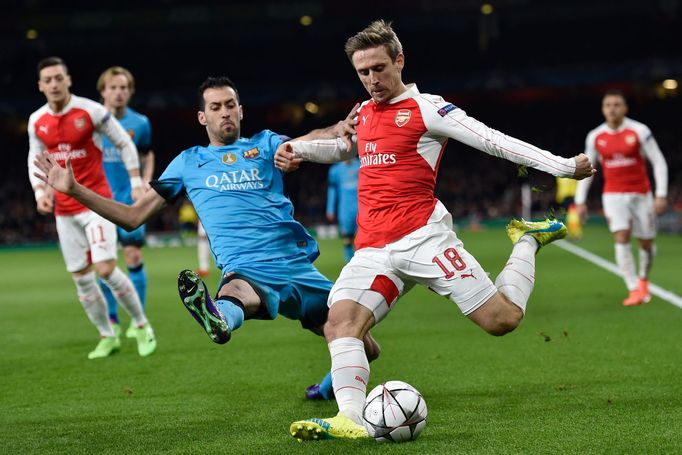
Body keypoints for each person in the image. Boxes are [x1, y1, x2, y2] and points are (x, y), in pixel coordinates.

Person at [274, 20, 596, 440]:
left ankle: (528, 240)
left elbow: (493, 140)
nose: (372, 79)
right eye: (363, 72)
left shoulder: (429, 108)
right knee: (340, 324)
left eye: (379, 68)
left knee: (502, 320)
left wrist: (564, 166)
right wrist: (295, 148)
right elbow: (345, 147)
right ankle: (349, 417)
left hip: (424, 239)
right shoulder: (365, 113)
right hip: (372, 247)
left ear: (399, 60)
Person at [33, 76, 379, 398]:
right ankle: (217, 318)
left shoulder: (266, 145)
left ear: (241, 111)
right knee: (235, 295)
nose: (225, 112)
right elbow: (133, 216)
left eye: (230, 105)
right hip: (246, 269)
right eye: (215, 107)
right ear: (202, 118)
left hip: (297, 266)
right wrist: (76, 190)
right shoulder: (188, 163)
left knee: (367, 347)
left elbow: (307, 142)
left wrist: (337, 128)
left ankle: (323, 389)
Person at [27, 57, 156, 359]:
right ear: (41, 85)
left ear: (68, 80)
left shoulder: (92, 111)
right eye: (48, 80)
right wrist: (39, 193)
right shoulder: (37, 120)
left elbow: (125, 143)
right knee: (82, 279)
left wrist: (137, 181)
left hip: (96, 203)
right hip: (64, 210)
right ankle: (107, 335)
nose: (54, 84)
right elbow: (35, 157)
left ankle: (141, 324)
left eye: (59, 78)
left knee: (107, 269)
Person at [575, 89, 668, 306]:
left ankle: (643, 279)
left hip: (641, 194)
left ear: (625, 108)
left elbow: (659, 161)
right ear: (603, 109)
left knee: (646, 242)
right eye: (608, 105)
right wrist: (580, 200)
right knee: (622, 236)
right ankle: (633, 288)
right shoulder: (595, 136)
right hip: (613, 195)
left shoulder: (639, 131)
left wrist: (661, 194)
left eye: (617, 104)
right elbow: (588, 169)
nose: (612, 109)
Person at [97, 66, 155, 337]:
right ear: (103, 92)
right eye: (113, 87)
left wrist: (145, 181)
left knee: (133, 255)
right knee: (104, 263)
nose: (119, 93)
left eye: (124, 87)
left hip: (129, 200)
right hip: (100, 201)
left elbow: (147, 153)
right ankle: (112, 320)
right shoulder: (91, 120)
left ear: (130, 91)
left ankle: (137, 319)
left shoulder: (140, 123)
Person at [326, 157, 360, 263]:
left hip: (361, 208)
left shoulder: (361, 165)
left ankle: (361, 264)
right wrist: (330, 208)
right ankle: (349, 264)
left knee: (361, 240)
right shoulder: (334, 170)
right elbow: (332, 190)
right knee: (347, 239)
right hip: (344, 209)